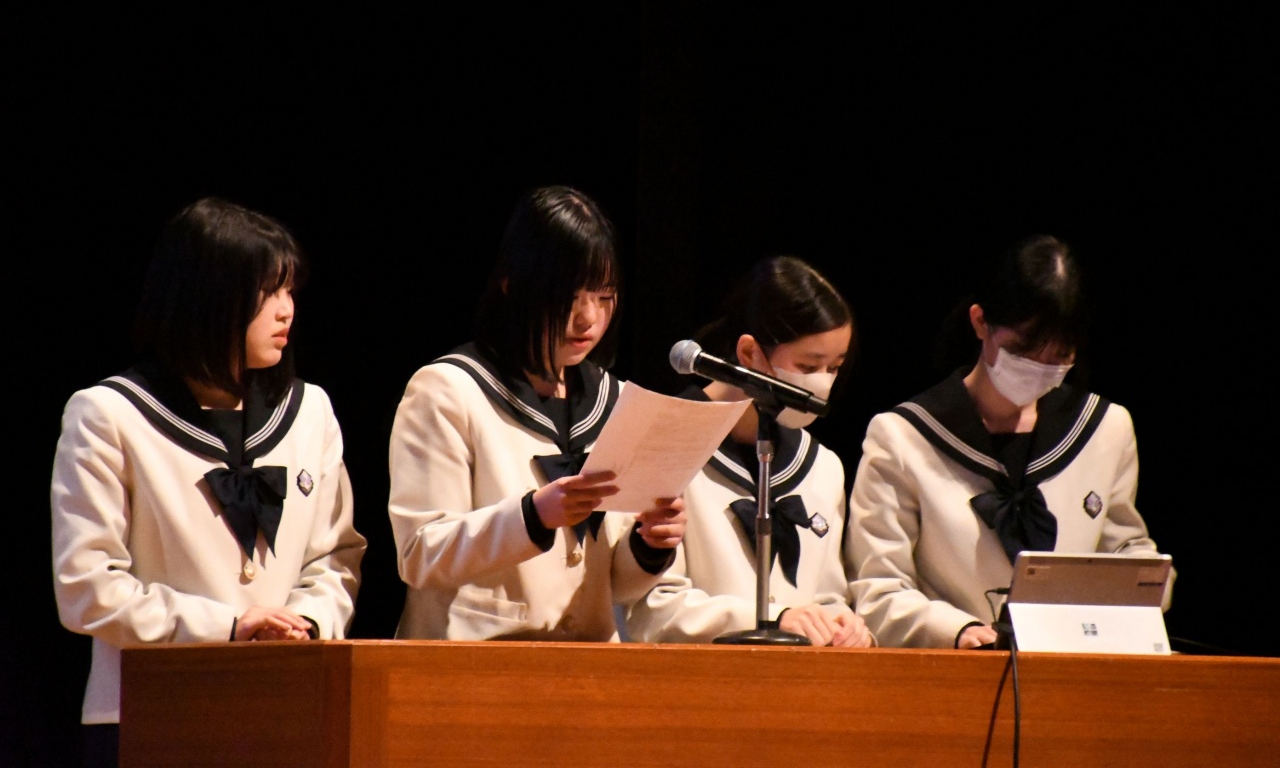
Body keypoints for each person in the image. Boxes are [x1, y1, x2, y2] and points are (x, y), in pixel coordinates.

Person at [50, 197, 367, 768]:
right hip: (149, 713)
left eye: (290, 290)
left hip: (287, 707)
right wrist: (227, 626)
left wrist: (306, 624)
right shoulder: (109, 414)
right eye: (268, 292)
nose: (287, 311)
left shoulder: (311, 410)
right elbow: (86, 586)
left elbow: (335, 557)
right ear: (207, 295)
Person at [388, 185, 686, 641]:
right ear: (512, 285)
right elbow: (420, 553)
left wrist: (648, 544)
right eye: (568, 296)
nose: (588, 318)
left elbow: (614, 586)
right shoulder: (448, 389)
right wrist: (531, 516)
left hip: (587, 665)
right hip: (470, 663)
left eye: (603, 296)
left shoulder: (616, 399)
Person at [845, 233, 1173, 649]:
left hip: (1072, 664)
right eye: (1022, 349)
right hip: (953, 666)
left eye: (1060, 356)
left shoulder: (1105, 428)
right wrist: (957, 630)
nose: (1040, 368)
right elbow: (878, 588)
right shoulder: (904, 436)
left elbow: (1124, 546)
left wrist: (1149, 581)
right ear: (981, 322)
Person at [625, 256, 875, 647]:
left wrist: (842, 623)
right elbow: (649, 610)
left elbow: (827, 595)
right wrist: (773, 621)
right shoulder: (665, 444)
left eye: (834, 368)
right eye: (808, 366)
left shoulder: (824, 466)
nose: (822, 385)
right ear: (748, 353)